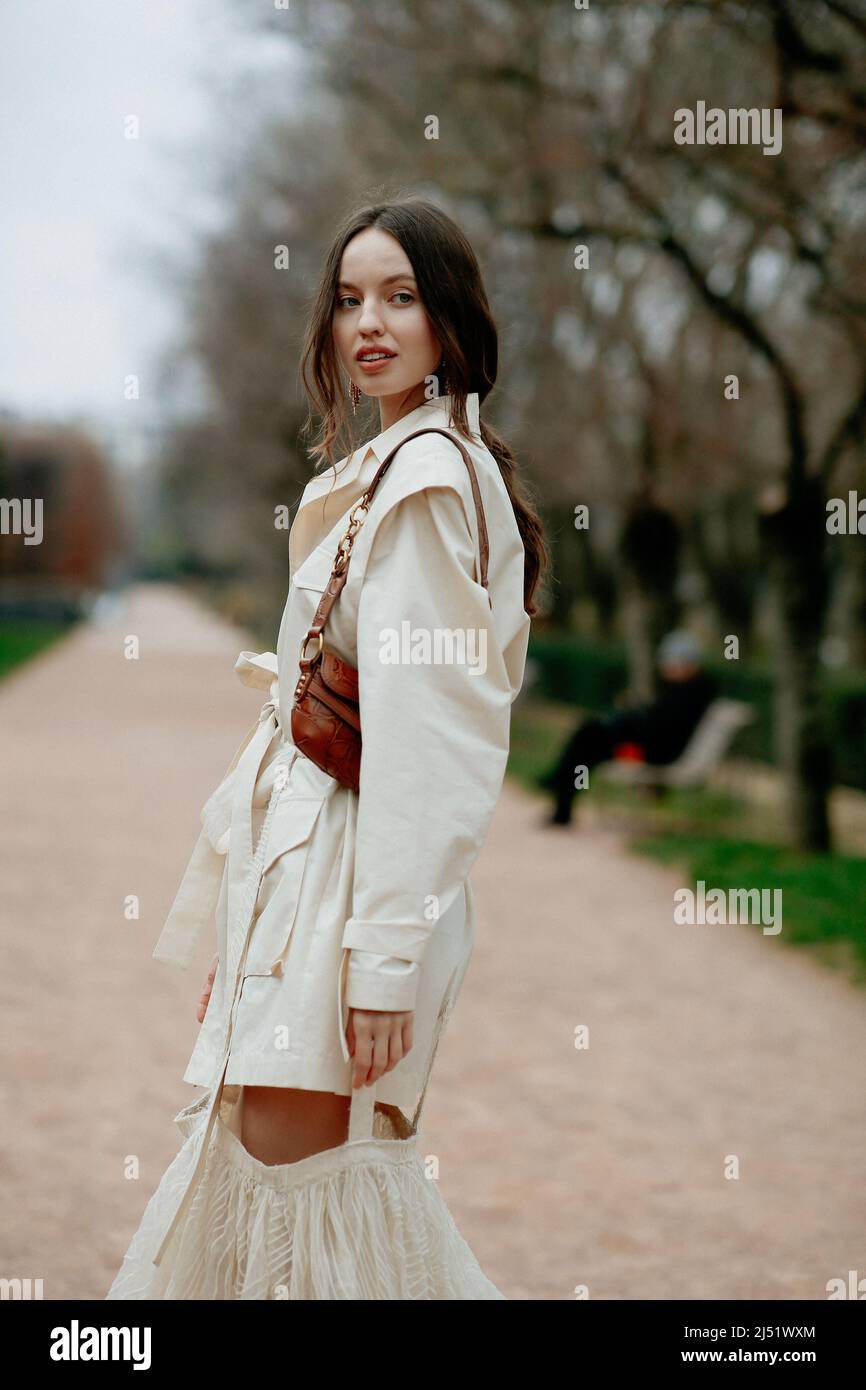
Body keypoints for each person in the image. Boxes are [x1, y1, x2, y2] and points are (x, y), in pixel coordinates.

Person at [105, 197, 548, 1299]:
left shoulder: (429, 484)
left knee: (314, 1191)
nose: (369, 323)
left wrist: (383, 961)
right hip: (312, 890)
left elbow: (431, 746)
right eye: (349, 299)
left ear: (450, 316)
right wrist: (249, 925)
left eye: (400, 296)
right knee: (277, 1170)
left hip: (355, 892)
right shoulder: (402, 466)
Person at [538, 630, 717, 826]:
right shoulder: (688, 689)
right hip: (651, 745)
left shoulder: (691, 691)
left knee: (590, 736)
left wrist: (630, 718)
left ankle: (559, 790)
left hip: (655, 752)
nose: (665, 668)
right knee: (590, 739)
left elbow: (663, 727)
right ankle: (561, 798)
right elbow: (660, 720)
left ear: (687, 664)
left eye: (670, 662)